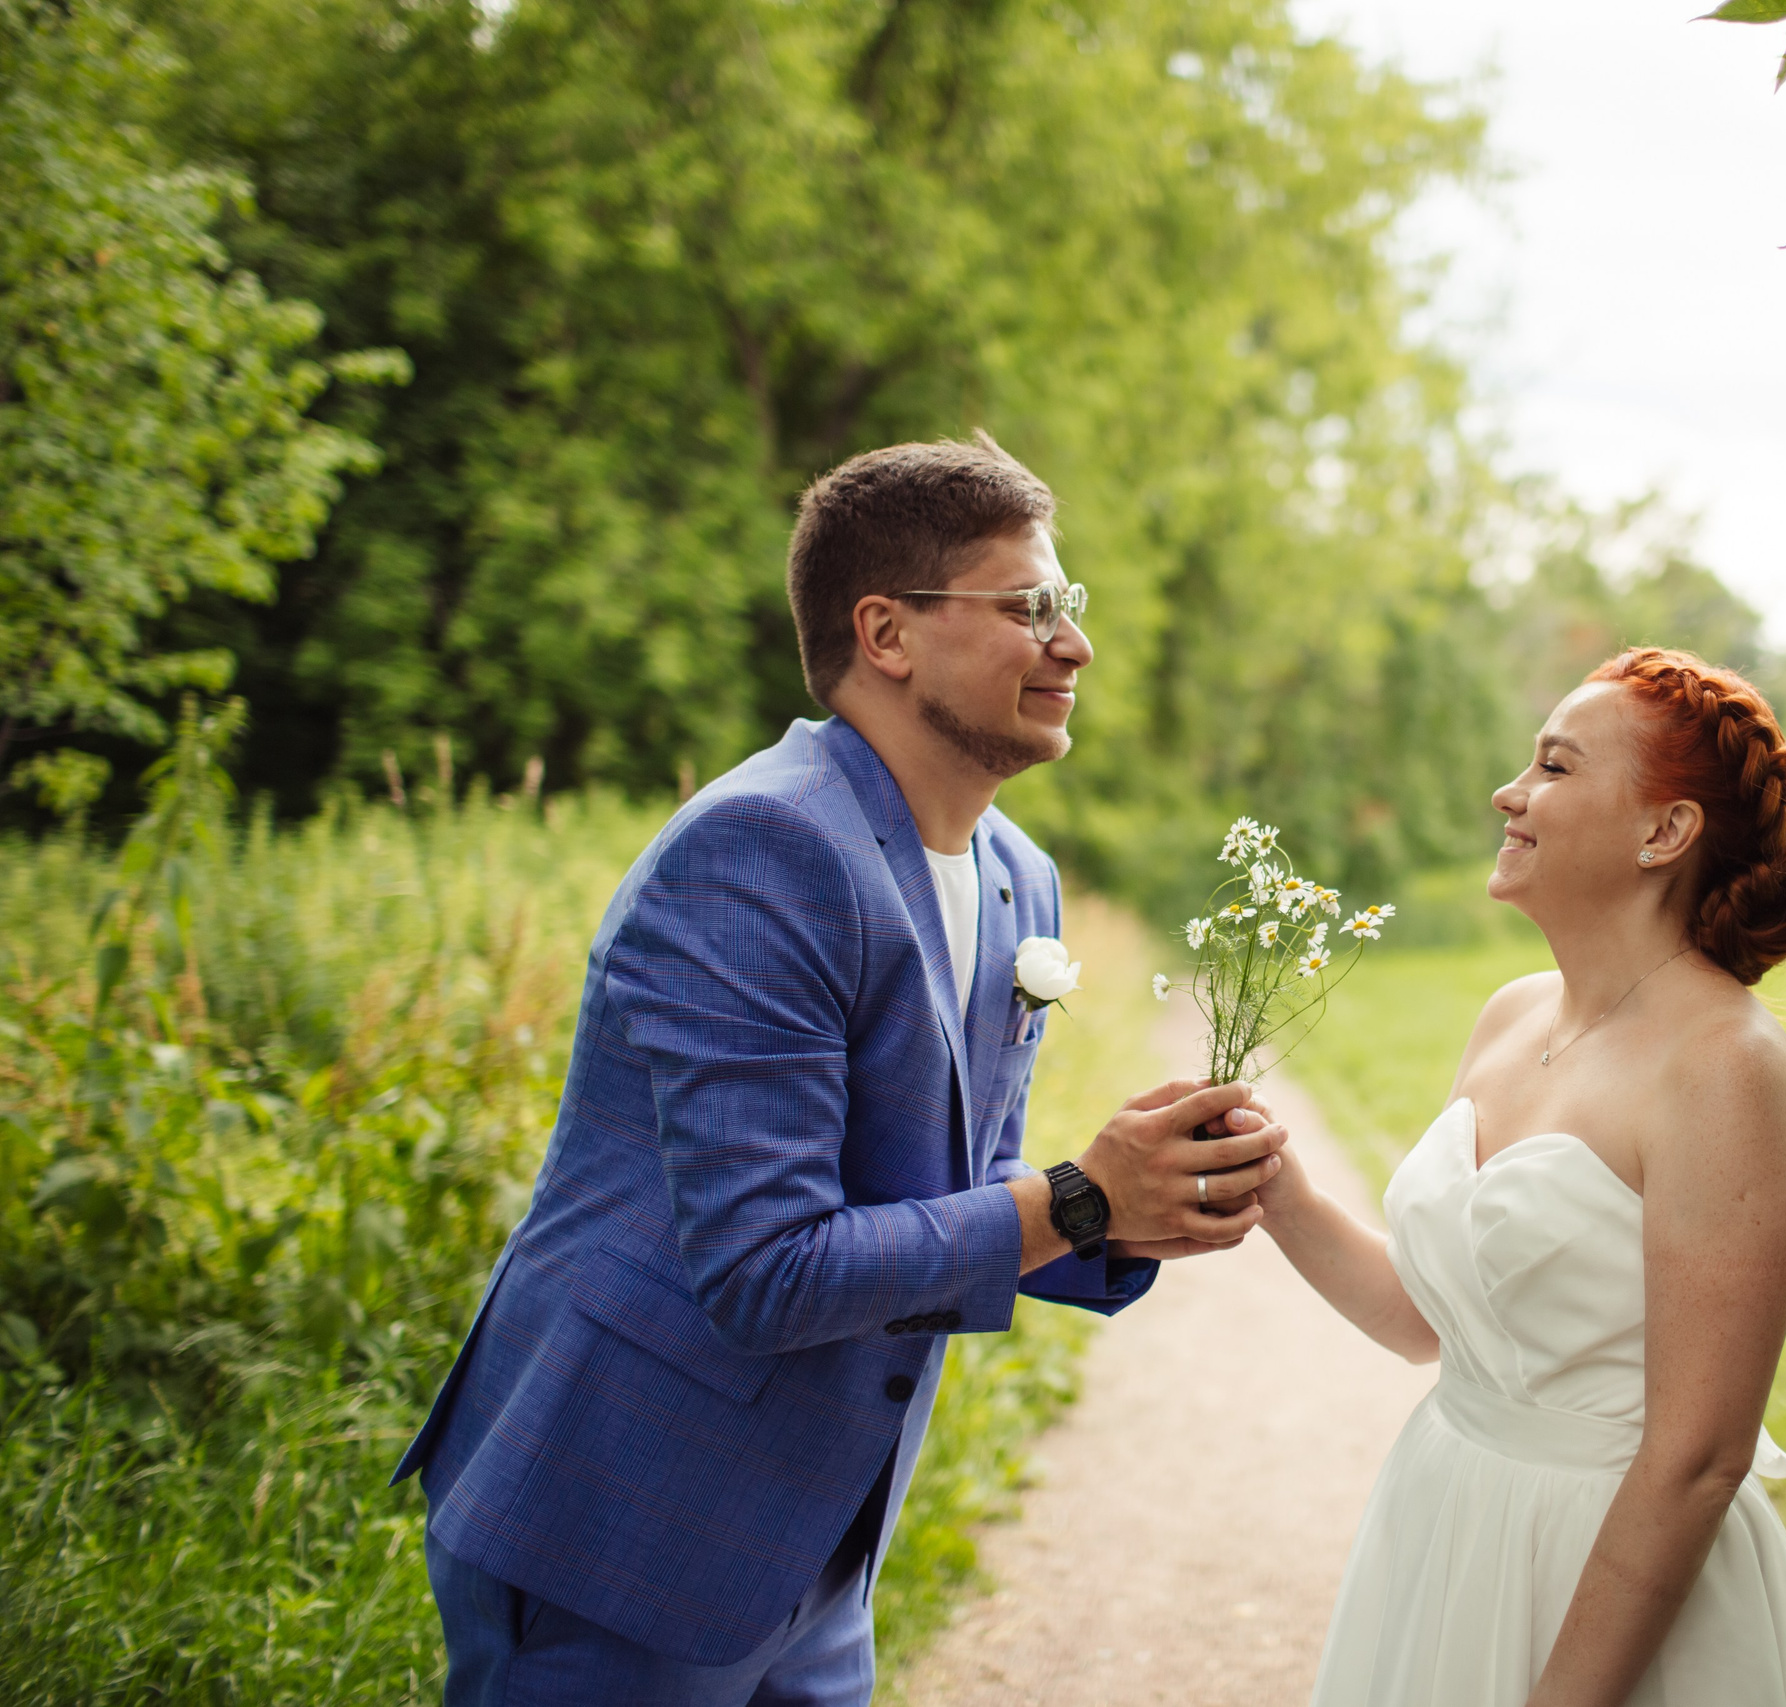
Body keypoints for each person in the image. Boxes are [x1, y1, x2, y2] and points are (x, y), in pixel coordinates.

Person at [392, 433, 1289, 1705]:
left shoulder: (1016, 874)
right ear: (886, 633)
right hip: (622, 1527)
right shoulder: (762, 849)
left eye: (1069, 605)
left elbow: (951, 1190)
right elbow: (765, 1269)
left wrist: (1131, 1212)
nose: (1075, 645)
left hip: (819, 1545)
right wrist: (1076, 1197)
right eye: (1029, 607)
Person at [1257, 646, 1786, 1707]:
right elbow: (1431, 1322)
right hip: (1449, 1523)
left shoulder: (1728, 1070)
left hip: (1605, 1577)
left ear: (1664, 832)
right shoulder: (1513, 1013)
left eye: (1555, 767)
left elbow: (1698, 1459)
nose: (1507, 793)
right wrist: (1277, 1189)